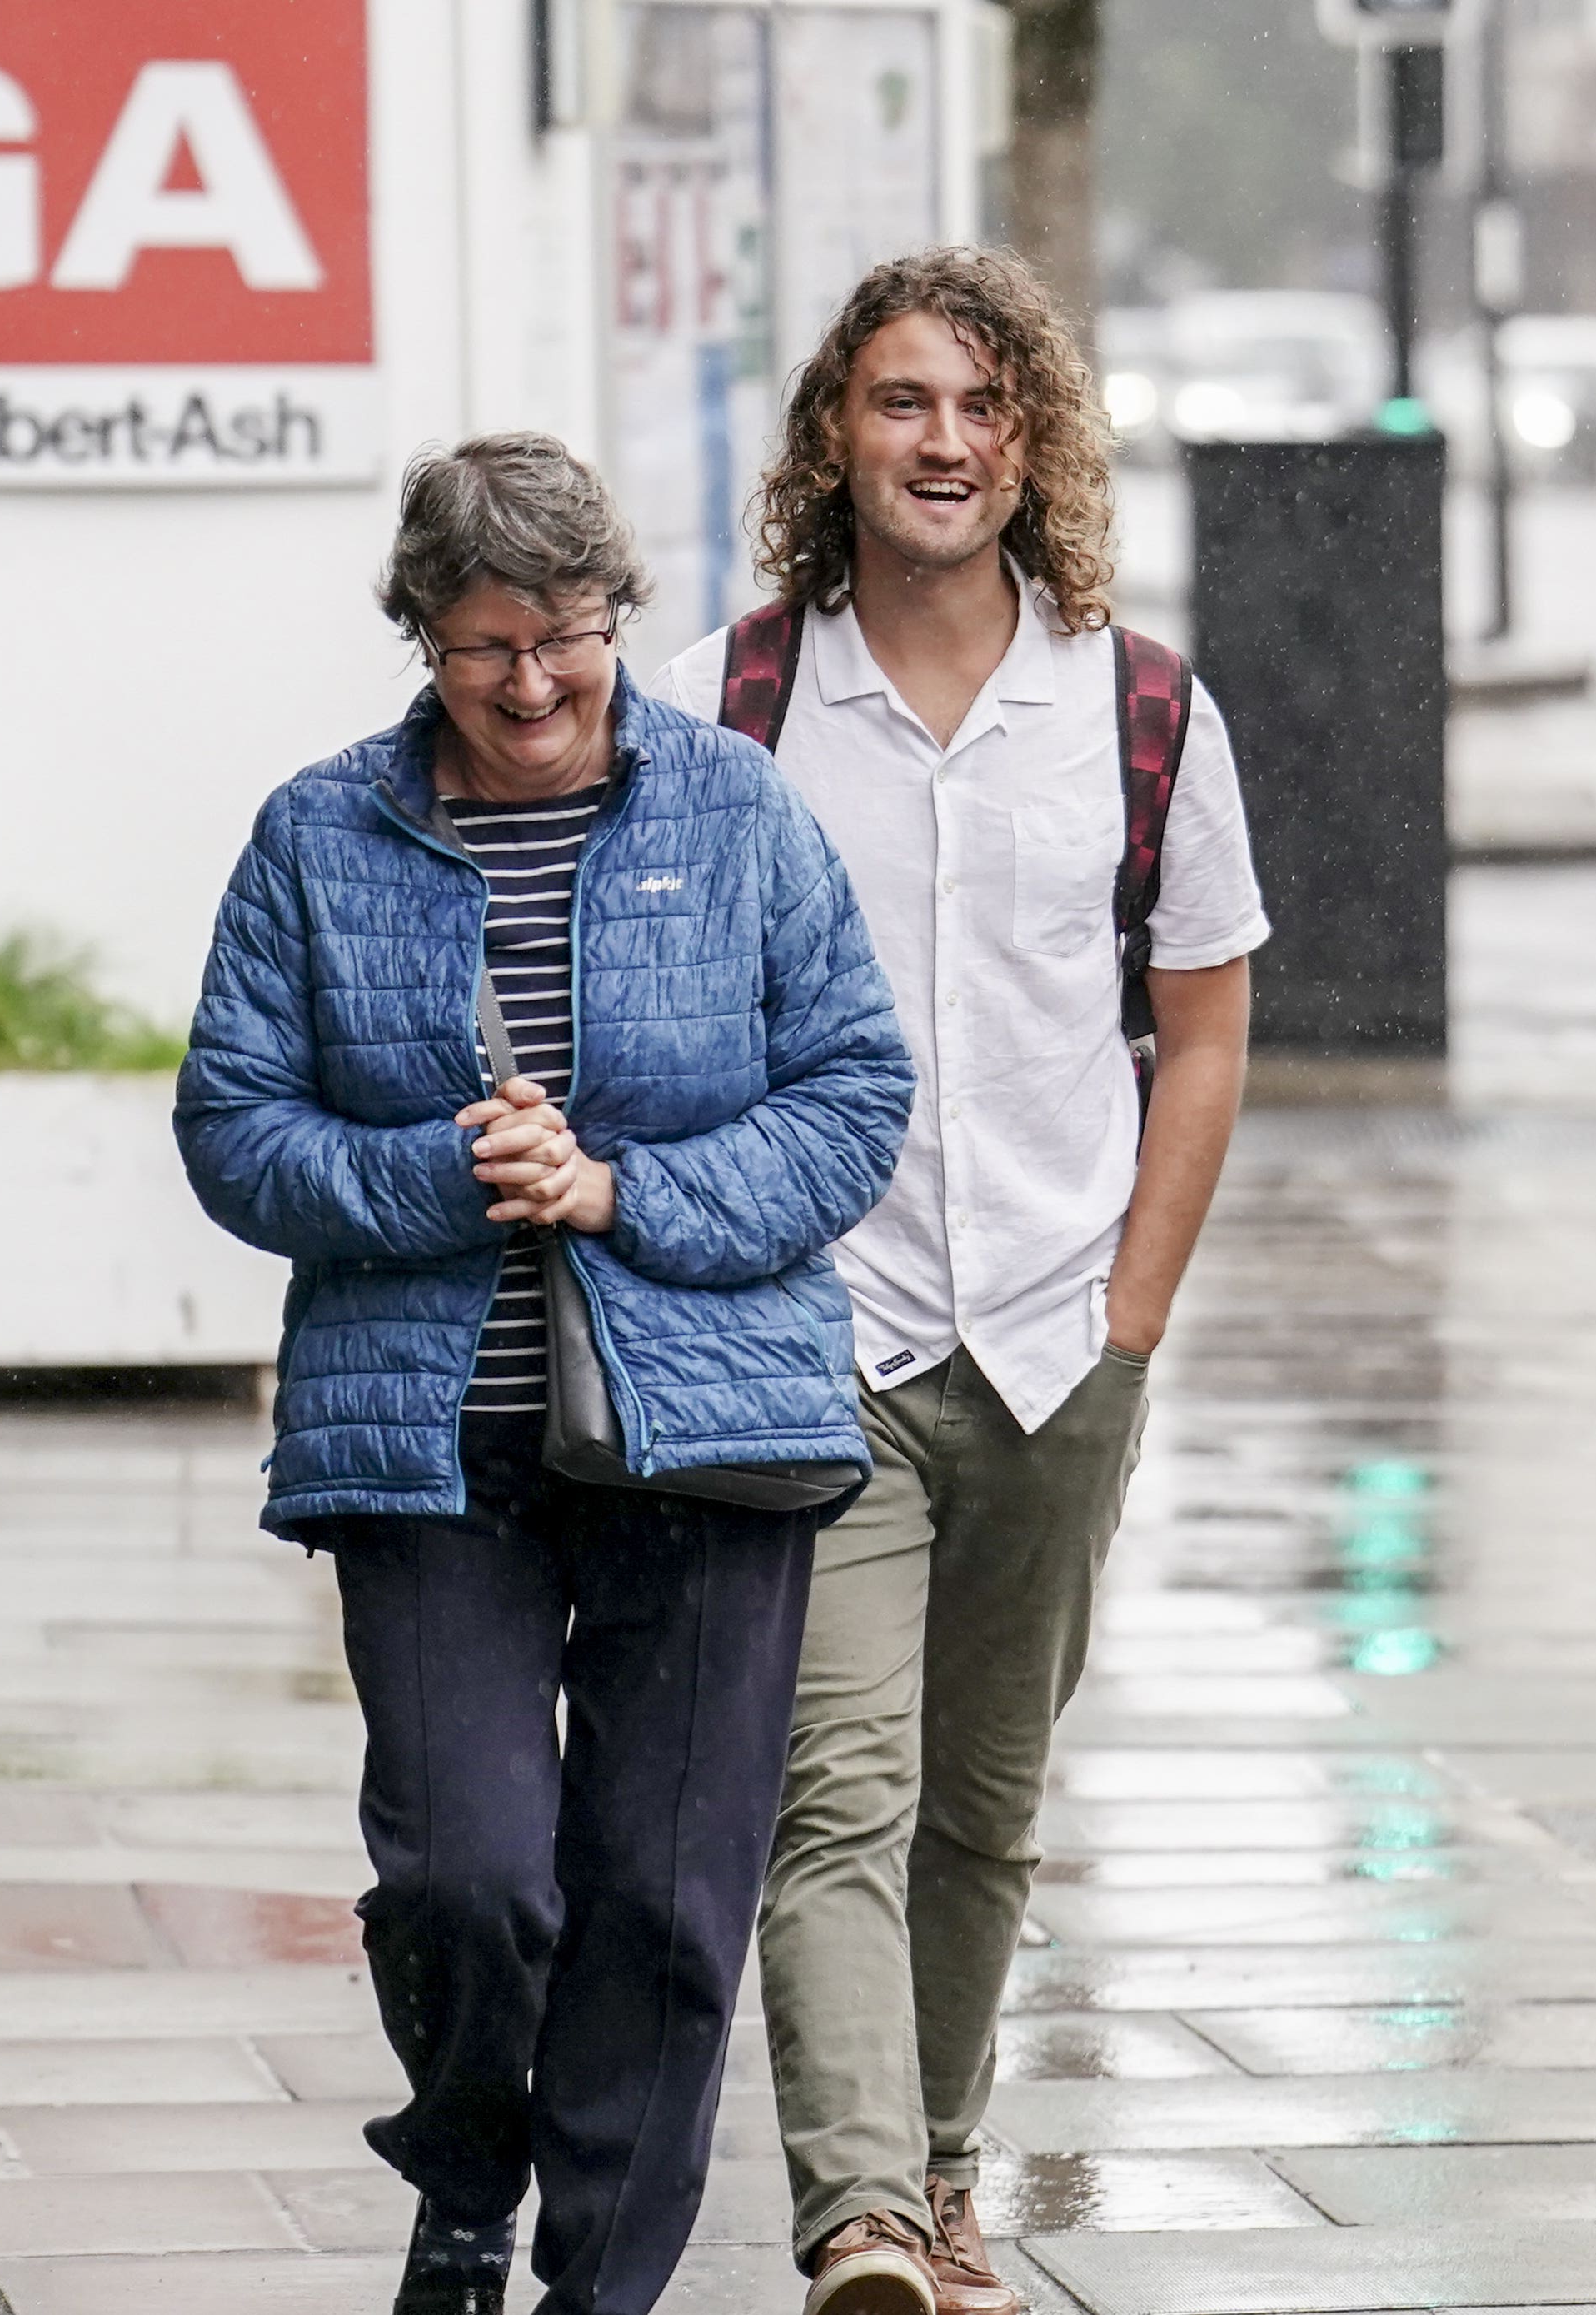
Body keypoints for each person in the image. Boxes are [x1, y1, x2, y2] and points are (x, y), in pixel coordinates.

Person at [177, 432, 914, 2315]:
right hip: (429, 1449)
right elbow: (234, 1130)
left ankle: (600, 2289)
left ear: (618, 621)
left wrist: (616, 1185)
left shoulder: (738, 815)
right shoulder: (318, 834)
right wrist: (435, 1173)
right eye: (483, 646)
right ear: (420, 632)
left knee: (667, 1915)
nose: (528, 684)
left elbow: (854, 1099)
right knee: (469, 1878)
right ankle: (467, 2153)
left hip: (712, 1438)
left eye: (566, 640)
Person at [644, 247, 1267, 2315]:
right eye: (907, 402)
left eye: (987, 409)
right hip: (812, 1337)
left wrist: (1132, 1320)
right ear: (840, 429)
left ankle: (937, 2163)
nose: (947, 443)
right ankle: (866, 2222)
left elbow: (1204, 1021)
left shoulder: (1143, 706)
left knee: (986, 1810)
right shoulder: (738, 707)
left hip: (1053, 1341)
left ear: (1036, 445)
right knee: (835, 1789)